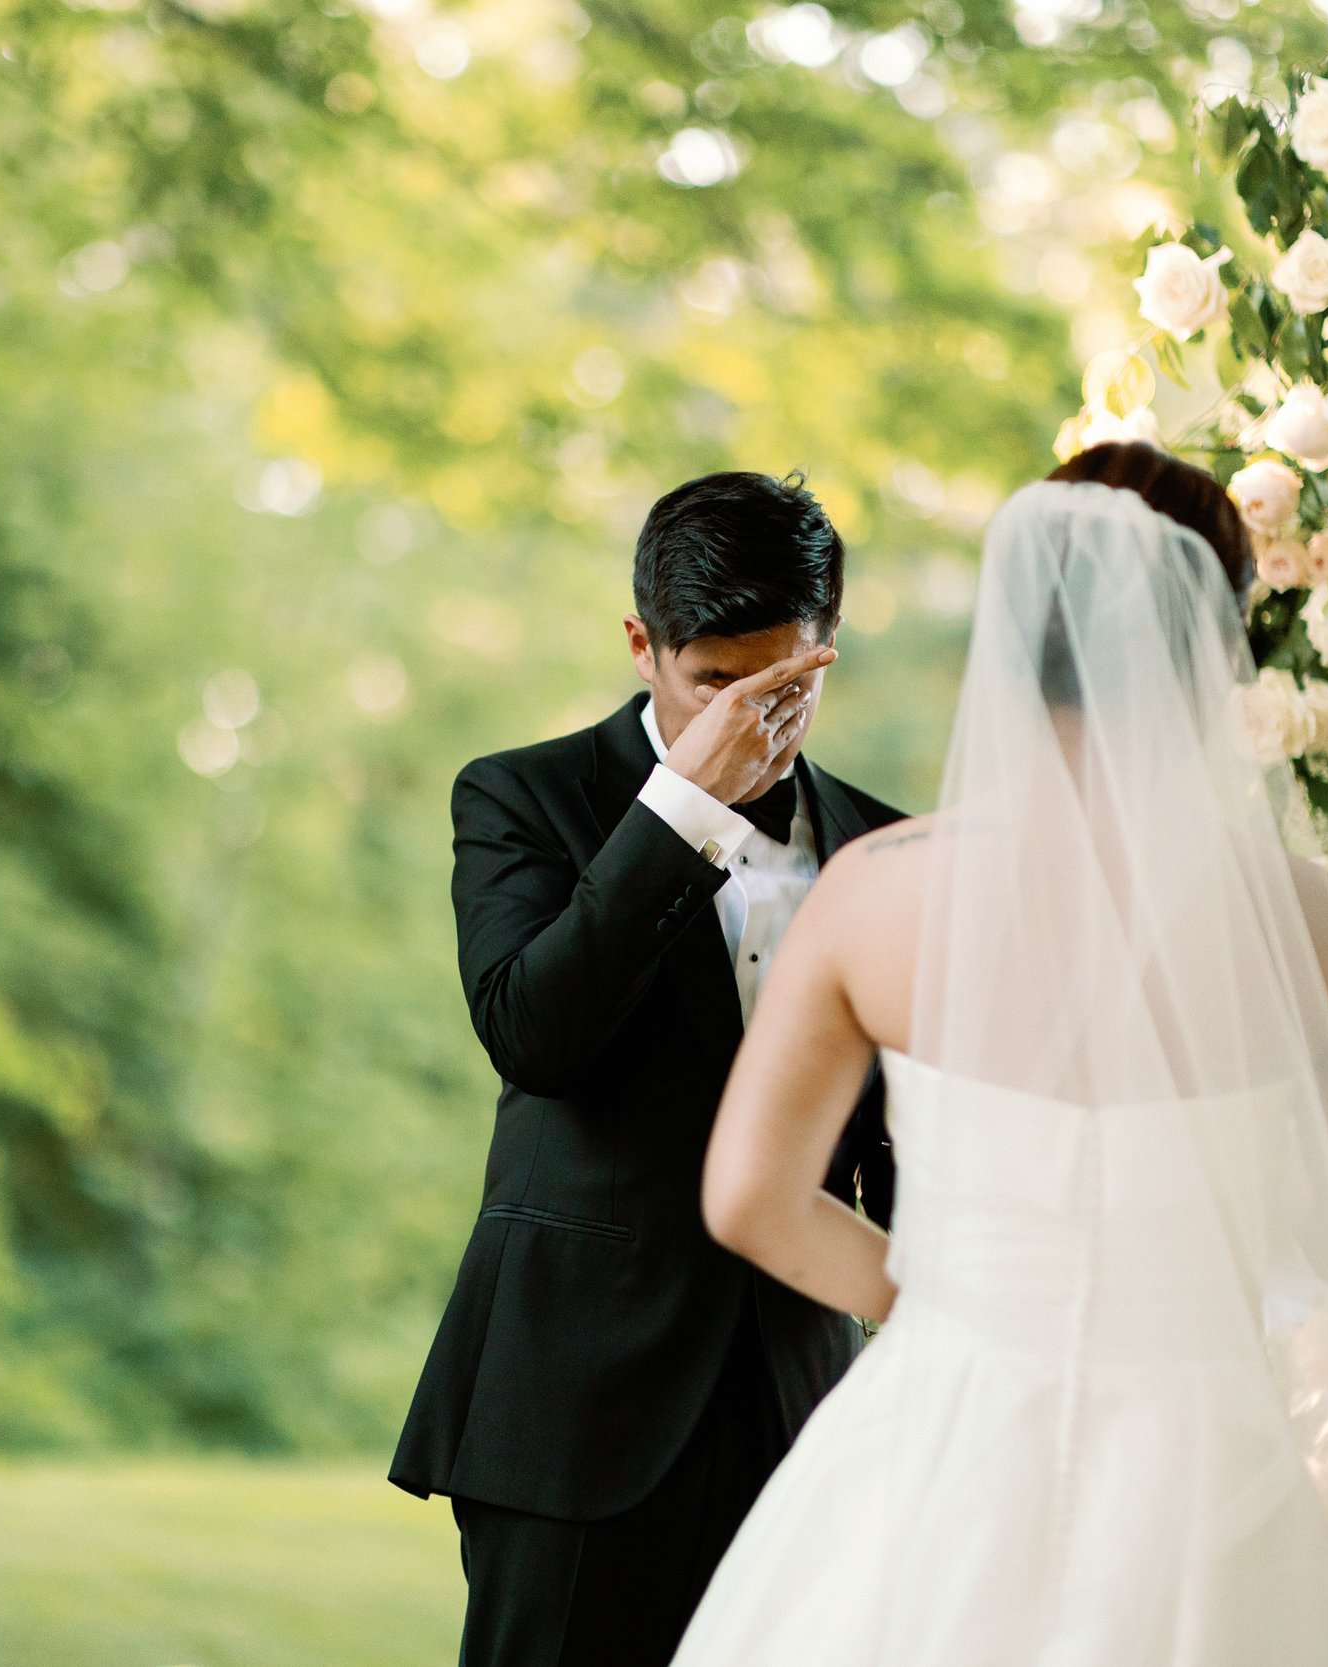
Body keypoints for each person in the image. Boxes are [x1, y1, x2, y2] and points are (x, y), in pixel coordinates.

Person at [672, 445, 1328, 1667]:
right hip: (1203, 1450)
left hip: (944, 1427)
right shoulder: (1307, 921)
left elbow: (747, 1195)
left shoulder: (870, 892)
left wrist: (949, 1301)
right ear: (1208, 644)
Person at [390, 471, 905, 1667]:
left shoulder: (885, 844)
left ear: (826, 652)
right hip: (575, 1403)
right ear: (642, 647)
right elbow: (535, 1033)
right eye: (712, 685)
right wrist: (682, 807)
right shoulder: (520, 795)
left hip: (803, 1404)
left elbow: (899, 1140)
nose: (753, 722)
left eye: (784, 686)